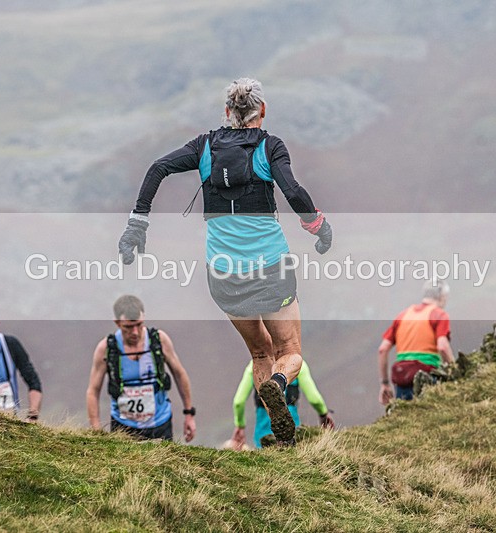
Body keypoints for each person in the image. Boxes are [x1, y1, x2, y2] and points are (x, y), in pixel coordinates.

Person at [117, 78, 332, 446]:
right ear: (261, 111)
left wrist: (137, 224)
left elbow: (157, 168)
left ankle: (278, 436)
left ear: (228, 113)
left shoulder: (204, 147)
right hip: (271, 270)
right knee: (290, 352)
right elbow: (293, 191)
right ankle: (278, 386)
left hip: (224, 277)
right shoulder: (269, 147)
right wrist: (318, 226)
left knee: (259, 351)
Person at [86, 295, 196, 442]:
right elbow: (93, 390)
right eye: (128, 327)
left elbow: (179, 374)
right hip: (123, 426)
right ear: (117, 323)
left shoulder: (159, 340)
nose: (135, 332)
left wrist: (189, 414)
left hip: (160, 423)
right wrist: (96, 430)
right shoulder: (106, 349)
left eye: (139, 324)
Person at [378, 280, 455, 404]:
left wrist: (385, 384)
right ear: (442, 296)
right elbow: (443, 347)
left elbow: (382, 349)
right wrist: (455, 371)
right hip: (429, 375)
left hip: (402, 379)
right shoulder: (439, 314)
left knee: (403, 418)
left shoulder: (402, 316)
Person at [229, 360, 334, 450]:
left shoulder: (254, 364)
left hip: (263, 434)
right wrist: (323, 414)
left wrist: (240, 425)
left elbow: (239, 402)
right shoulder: (297, 363)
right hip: (292, 430)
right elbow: (314, 399)